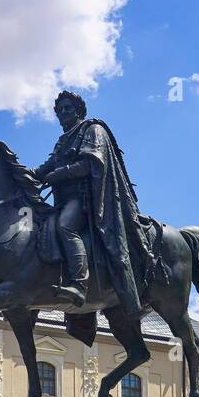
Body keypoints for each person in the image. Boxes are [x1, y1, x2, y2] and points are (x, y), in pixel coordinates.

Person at [31, 90, 151, 311]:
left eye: (69, 108)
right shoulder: (62, 141)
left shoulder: (92, 129)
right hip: (62, 201)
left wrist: (60, 173)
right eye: (60, 110)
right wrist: (23, 175)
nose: (64, 112)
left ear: (79, 110)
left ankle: (79, 284)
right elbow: (45, 168)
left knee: (66, 226)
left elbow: (92, 164)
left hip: (86, 200)